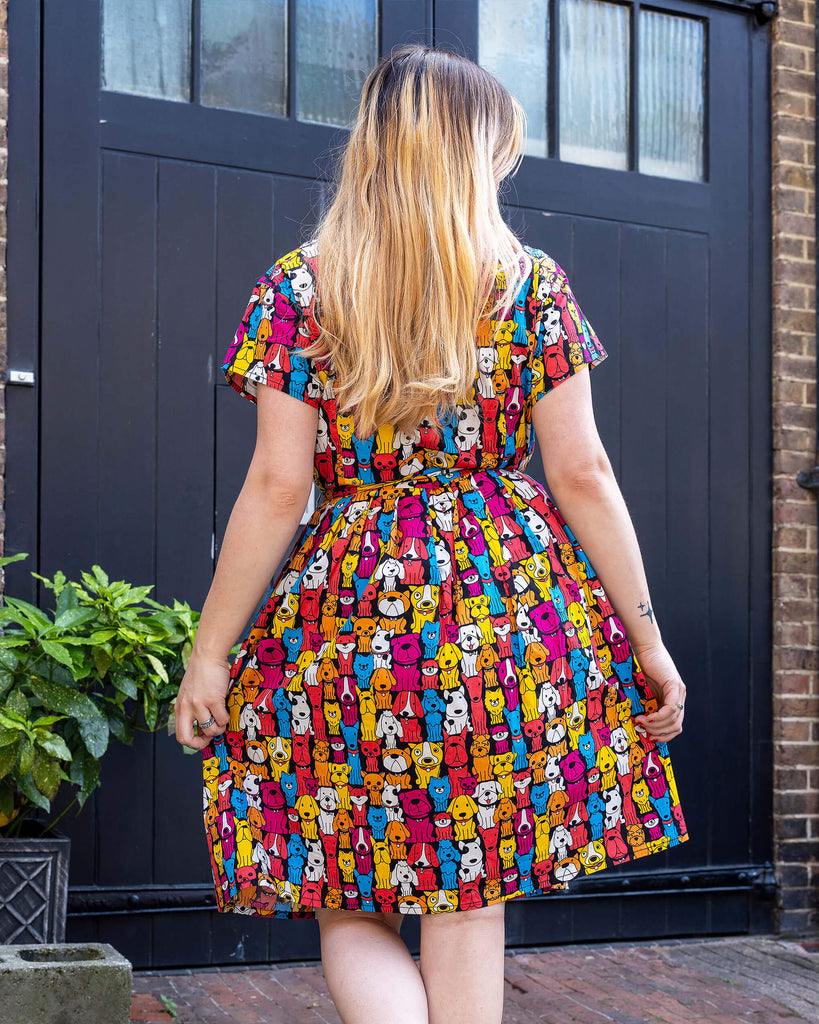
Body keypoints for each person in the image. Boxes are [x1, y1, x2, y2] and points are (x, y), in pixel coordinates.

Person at [173, 43, 689, 1024]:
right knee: (470, 875)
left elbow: (278, 487)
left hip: (347, 611)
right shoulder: (527, 284)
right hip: (499, 606)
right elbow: (584, 473)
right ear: (471, 154)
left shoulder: (302, 287)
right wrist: (647, 639)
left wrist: (210, 652)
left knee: (347, 884)